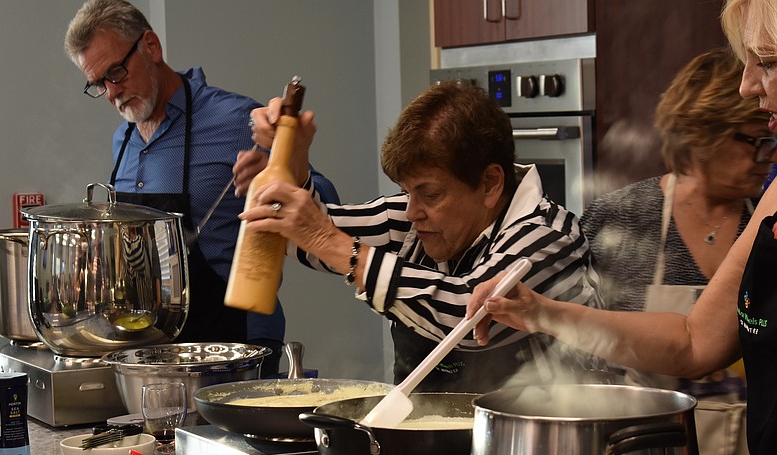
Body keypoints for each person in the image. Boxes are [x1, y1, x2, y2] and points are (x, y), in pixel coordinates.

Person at [468, 0, 777, 455]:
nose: (749, 84)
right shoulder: (773, 204)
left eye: (768, 61)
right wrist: (540, 311)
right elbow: (692, 341)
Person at [233, 80, 601, 393]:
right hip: (430, 448)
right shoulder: (414, 220)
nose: (412, 211)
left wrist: (328, 240)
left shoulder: (546, 237)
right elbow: (303, 236)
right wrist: (293, 162)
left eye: (430, 193)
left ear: (490, 183)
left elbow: (467, 319)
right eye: (408, 192)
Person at [64, 0, 339, 376]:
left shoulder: (235, 120)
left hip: (236, 345)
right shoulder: (123, 141)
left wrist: (282, 177)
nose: (112, 92)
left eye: (116, 72)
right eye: (98, 83)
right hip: (154, 350)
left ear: (151, 47)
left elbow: (332, 211)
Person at [580, 47, 771, 455]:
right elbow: (585, 374)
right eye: (752, 140)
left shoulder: (765, 224)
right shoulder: (624, 218)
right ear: (702, 133)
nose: (764, 157)